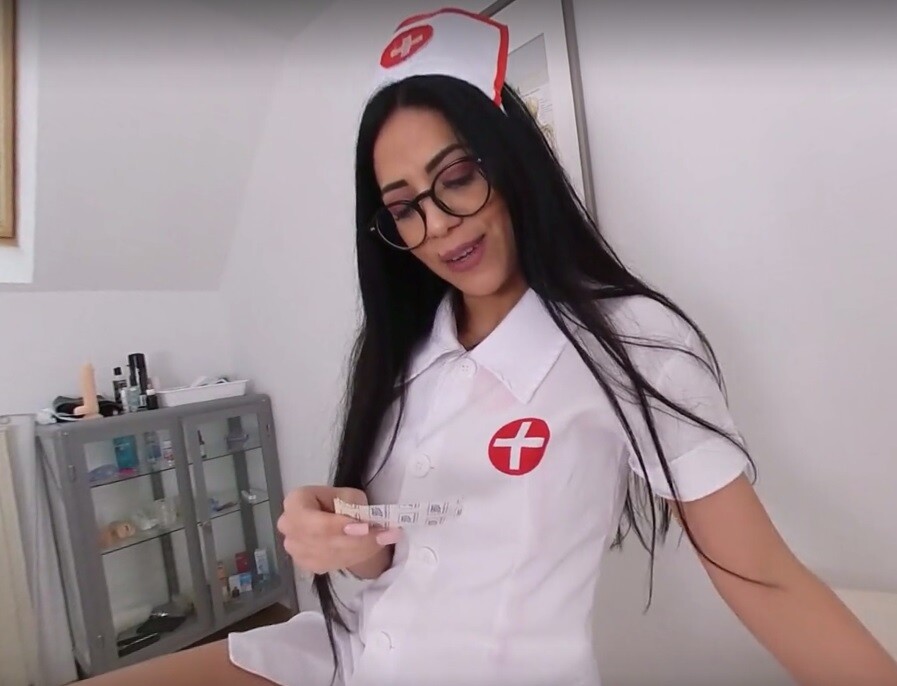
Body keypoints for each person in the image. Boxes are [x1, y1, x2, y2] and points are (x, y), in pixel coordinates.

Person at [83, 8, 897, 686]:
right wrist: (341, 538)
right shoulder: (399, 350)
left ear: (513, 164)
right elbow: (390, 567)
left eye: (457, 178)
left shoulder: (632, 341)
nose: (439, 225)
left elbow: (765, 579)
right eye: (404, 207)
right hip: (344, 654)